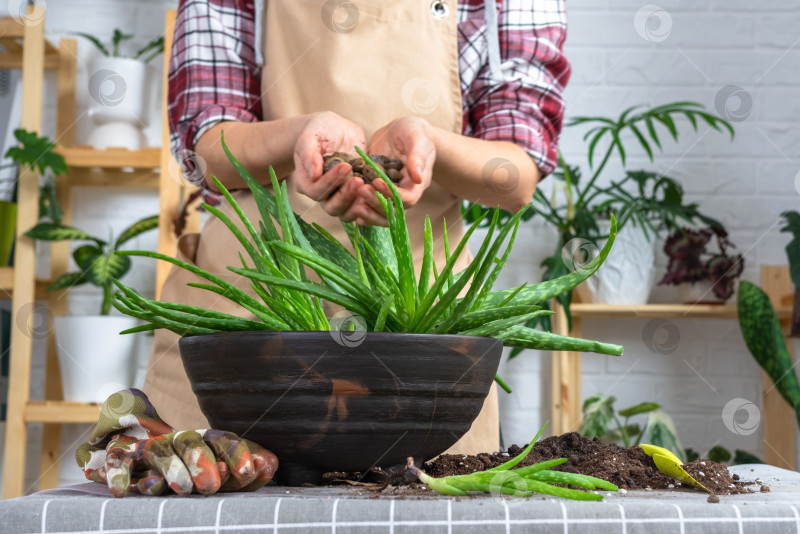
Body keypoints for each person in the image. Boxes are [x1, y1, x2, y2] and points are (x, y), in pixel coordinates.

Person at [143, 0, 570, 458]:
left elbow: (516, 177)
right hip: (249, 313)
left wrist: (432, 147)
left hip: (420, 333)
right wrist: (297, 139)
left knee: (416, 515)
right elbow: (206, 150)